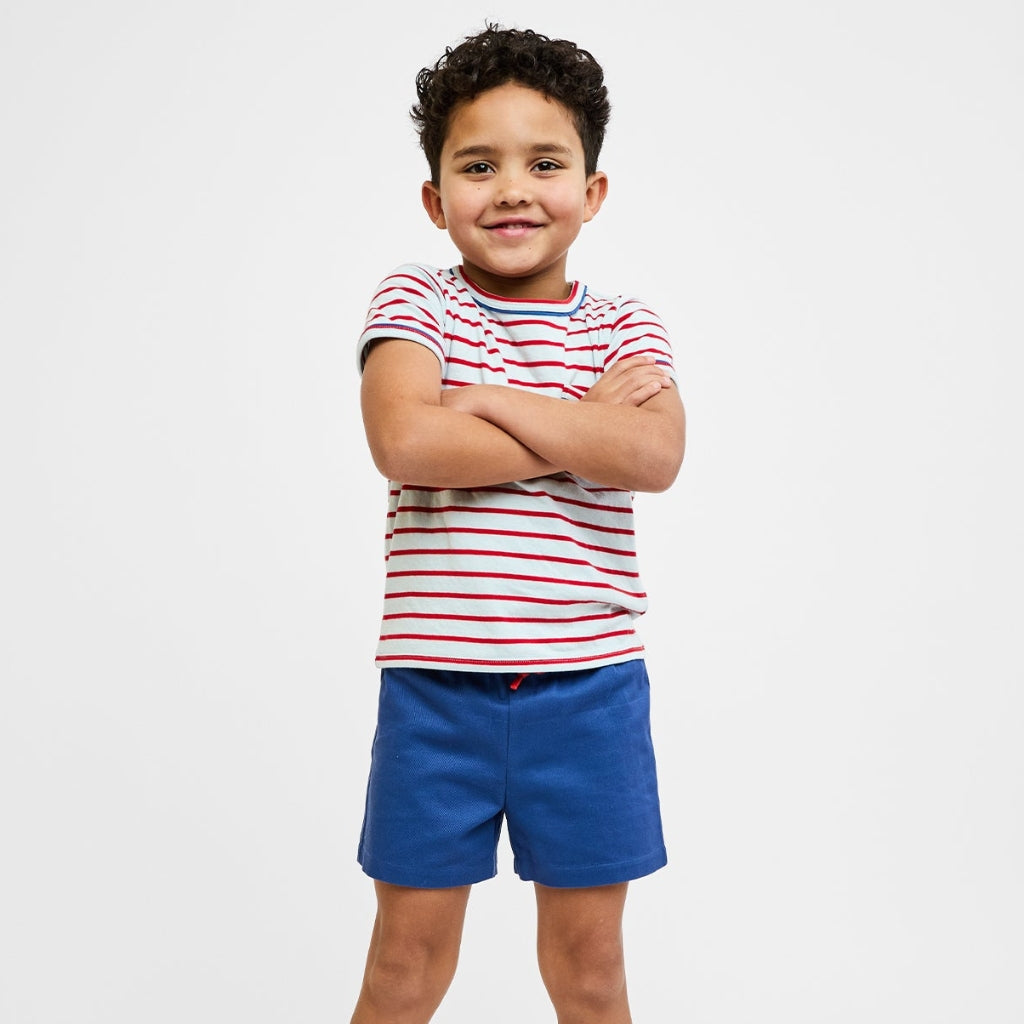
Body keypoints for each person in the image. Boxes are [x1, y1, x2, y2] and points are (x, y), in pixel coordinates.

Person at [351, 24, 686, 1024]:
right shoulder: (416, 299)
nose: (511, 190)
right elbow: (406, 441)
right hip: (436, 693)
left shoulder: (623, 325)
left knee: (590, 970)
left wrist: (486, 401)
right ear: (434, 197)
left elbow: (654, 458)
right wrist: (584, 429)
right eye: (477, 165)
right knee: (405, 964)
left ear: (592, 190)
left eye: (545, 164)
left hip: (588, 690)